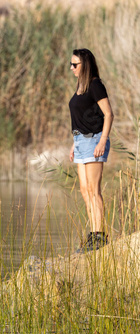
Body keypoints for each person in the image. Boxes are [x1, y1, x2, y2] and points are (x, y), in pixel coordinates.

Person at [68, 48, 114, 253]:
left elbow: (109, 114)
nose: (71, 68)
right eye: (71, 64)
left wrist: (102, 141)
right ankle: (93, 234)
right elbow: (81, 117)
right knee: (84, 190)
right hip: (80, 142)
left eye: (75, 64)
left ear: (84, 64)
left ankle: (99, 235)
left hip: (94, 140)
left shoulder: (95, 85)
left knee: (94, 190)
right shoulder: (81, 86)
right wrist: (74, 143)